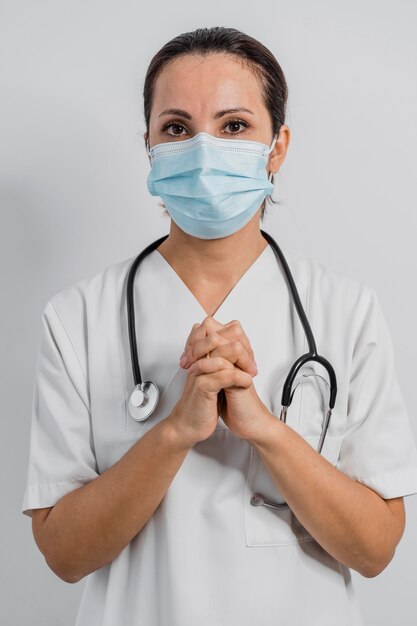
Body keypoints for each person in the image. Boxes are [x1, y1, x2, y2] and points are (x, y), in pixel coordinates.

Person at [22, 26, 417, 626]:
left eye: (234, 126)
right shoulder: (78, 318)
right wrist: (175, 431)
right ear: (150, 147)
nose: (204, 151)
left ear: (277, 146)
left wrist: (266, 430)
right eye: (177, 128)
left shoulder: (346, 311)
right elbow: (64, 554)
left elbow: (377, 549)